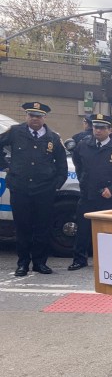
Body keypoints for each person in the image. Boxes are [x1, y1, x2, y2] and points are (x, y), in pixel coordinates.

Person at [0, 102, 67, 276]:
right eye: (31, 115)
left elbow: (61, 165)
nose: (34, 119)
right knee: (22, 228)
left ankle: (39, 262)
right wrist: (5, 166)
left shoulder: (53, 137)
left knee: (42, 228)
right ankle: (22, 263)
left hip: (44, 190)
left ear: (44, 118)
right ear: (27, 116)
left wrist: (55, 185)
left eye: (38, 116)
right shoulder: (15, 132)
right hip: (20, 188)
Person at [68, 114, 112, 271]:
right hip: (88, 195)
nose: (98, 130)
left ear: (110, 129)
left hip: (109, 198)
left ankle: (109, 262)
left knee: (110, 232)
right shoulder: (84, 145)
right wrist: (84, 181)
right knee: (83, 230)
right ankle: (79, 259)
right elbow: (78, 164)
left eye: (102, 127)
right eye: (96, 127)